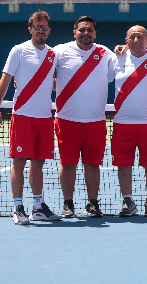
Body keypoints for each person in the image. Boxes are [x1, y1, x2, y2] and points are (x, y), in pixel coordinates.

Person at [0, 11, 62, 225]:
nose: (41, 31)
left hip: (44, 117)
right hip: (22, 115)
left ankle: (38, 207)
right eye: (37, 27)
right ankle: (18, 208)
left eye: (44, 28)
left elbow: (50, 82)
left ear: (49, 31)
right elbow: (6, 80)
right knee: (19, 162)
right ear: (30, 29)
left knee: (39, 163)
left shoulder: (53, 54)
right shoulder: (19, 51)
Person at [54, 16, 115, 218]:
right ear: (75, 32)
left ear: (95, 33)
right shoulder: (60, 51)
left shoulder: (105, 54)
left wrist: (123, 46)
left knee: (93, 165)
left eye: (89, 30)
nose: (86, 33)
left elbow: (130, 60)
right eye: (82, 30)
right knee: (68, 163)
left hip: (95, 121)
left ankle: (92, 204)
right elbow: (42, 72)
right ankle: (68, 204)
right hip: (66, 121)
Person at [110, 26, 147, 217]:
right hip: (122, 123)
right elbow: (98, 79)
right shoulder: (116, 59)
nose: (136, 40)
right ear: (126, 41)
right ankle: (128, 201)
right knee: (124, 164)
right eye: (132, 37)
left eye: (140, 37)